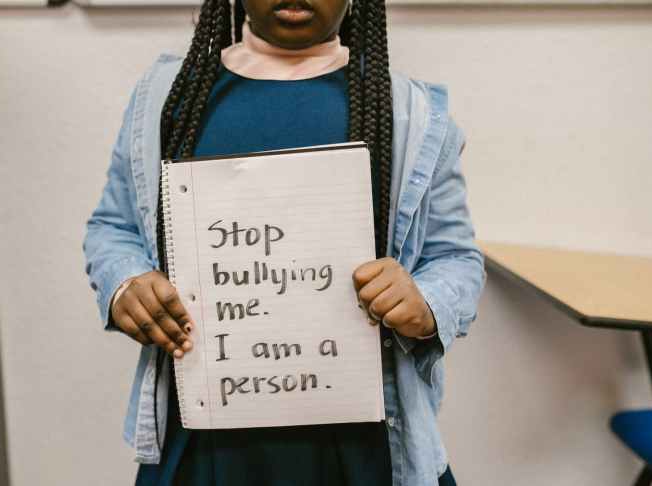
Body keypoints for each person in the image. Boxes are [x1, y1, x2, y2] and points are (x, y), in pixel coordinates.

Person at [82, 0, 486, 484]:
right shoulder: (167, 99)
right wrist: (126, 283)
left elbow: (456, 257)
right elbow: (113, 226)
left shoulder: (410, 113)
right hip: (207, 441)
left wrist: (426, 303)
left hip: (364, 447)